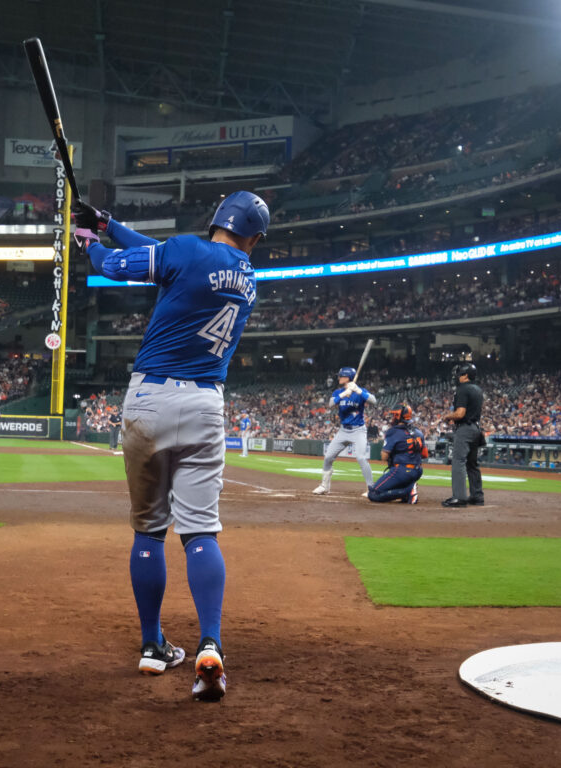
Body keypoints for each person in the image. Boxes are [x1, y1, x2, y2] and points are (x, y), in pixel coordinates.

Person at [73, 189, 269, 702]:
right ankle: (211, 644)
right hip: (206, 404)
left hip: (150, 399)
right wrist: (110, 223)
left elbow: (119, 267)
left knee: (149, 529)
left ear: (216, 219)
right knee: (201, 529)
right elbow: (166, 257)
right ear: (253, 236)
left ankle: (151, 646)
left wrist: (88, 242)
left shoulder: (186, 249)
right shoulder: (249, 281)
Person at [312, 365, 376, 497]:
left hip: (358, 430)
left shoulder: (360, 391)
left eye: (341, 376)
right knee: (328, 457)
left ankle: (371, 489)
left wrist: (358, 391)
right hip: (343, 431)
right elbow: (330, 404)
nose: (339, 378)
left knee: (361, 458)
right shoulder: (337, 392)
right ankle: (324, 486)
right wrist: (343, 394)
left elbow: (374, 401)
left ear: (347, 377)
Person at [441, 362, 484, 507]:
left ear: (465, 375)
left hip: (465, 429)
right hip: (476, 429)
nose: (457, 376)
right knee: (472, 464)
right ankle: (477, 496)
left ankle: (459, 497)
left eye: (460, 374)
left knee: (458, 461)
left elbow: (460, 413)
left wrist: (448, 416)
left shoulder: (462, 389)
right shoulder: (477, 389)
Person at [367, 404, 426, 504]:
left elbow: (384, 457)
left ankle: (407, 491)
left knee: (373, 494)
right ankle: (407, 489)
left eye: (395, 415)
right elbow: (425, 454)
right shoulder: (418, 432)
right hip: (418, 471)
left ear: (400, 416)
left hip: (402, 471)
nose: (393, 417)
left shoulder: (394, 432)